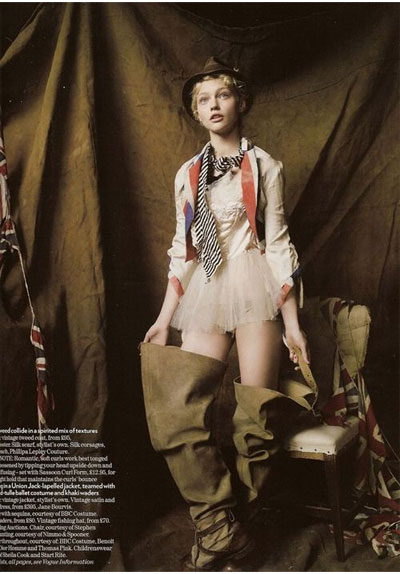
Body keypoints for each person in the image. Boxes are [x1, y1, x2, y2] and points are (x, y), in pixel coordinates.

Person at [140, 57, 312, 571]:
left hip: (255, 284)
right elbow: (183, 251)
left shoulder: (265, 166)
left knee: (256, 417)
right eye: (203, 100)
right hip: (207, 287)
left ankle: (245, 528)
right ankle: (218, 528)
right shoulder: (187, 173)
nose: (212, 105)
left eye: (222, 95)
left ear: (240, 102)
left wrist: (293, 325)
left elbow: (277, 244)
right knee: (179, 405)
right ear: (196, 113)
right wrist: (164, 319)